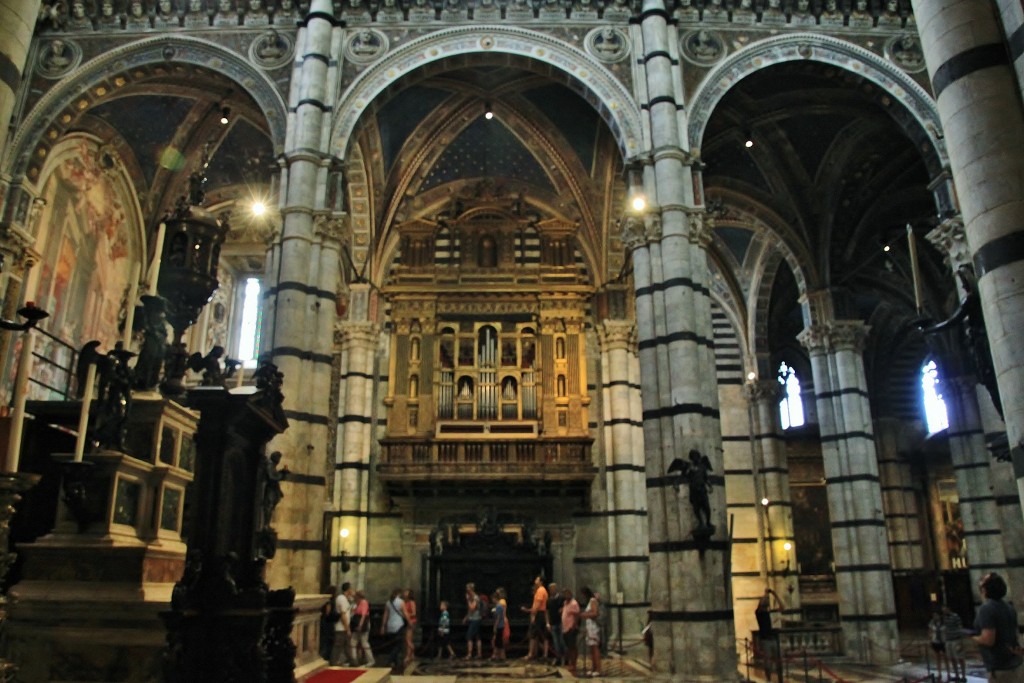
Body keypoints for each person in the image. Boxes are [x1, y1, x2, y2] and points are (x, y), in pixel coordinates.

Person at [973, 573, 1024, 682]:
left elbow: (988, 640)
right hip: (1015, 664)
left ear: (985, 589)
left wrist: (972, 637)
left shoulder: (986, 608)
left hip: (1000, 668)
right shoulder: (1009, 607)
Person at [521, 575, 548, 661]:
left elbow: (537, 606)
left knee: (532, 635)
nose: (535, 580)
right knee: (536, 635)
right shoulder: (541, 590)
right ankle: (535, 653)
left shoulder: (540, 590)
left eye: (537, 579)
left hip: (538, 614)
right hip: (540, 613)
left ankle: (531, 654)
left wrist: (531, 613)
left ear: (541, 581)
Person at [383, 588, 407, 672]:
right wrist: (410, 622)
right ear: (399, 594)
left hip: (390, 625)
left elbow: (385, 615)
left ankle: (395, 663)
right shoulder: (401, 602)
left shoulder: (388, 602)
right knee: (399, 645)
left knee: (393, 644)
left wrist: (383, 626)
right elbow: (405, 614)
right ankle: (390, 660)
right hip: (399, 625)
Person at [330, 582, 355, 665]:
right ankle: (333, 663)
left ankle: (353, 663)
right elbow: (343, 615)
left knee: (347, 647)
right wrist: (347, 628)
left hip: (344, 627)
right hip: (341, 628)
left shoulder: (345, 599)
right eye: (351, 589)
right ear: (348, 590)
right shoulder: (342, 599)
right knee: (337, 647)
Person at [579, 586, 601, 677]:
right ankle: (593, 668)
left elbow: (595, 613)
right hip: (589, 627)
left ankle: (598, 669)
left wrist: (584, 614)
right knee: (591, 649)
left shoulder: (593, 600)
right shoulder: (590, 601)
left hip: (593, 627)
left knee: (595, 648)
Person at [943, 604, 966, 683]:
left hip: (956, 639)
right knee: (952, 658)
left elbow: (960, 627)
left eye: (945, 609)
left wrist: (961, 640)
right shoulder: (945, 618)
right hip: (948, 639)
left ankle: (963, 676)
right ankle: (956, 675)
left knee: (960, 657)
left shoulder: (955, 616)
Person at [352, 590, 375, 666]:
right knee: (353, 642)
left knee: (364, 642)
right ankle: (354, 660)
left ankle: (371, 660)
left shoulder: (364, 602)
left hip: (363, 624)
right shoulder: (357, 603)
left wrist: (360, 625)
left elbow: (363, 615)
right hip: (357, 624)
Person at [561, 588, 580, 676]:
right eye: (564, 594)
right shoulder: (565, 603)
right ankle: (570, 663)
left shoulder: (574, 603)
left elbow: (577, 615)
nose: (566, 596)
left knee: (572, 647)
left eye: (567, 594)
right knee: (569, 646)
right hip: (565, 628)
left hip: (571, 628)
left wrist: (574, 626)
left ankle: (573, 664)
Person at [463, 583, 483, 659]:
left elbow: (472, 608)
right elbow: (469, 610)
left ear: (471, 589)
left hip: (476, 619)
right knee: (477, 637)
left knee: (469, 636)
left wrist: (468, 600)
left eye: (468, 589)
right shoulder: (471, 597)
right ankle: (479, 654)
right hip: (472, 618)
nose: (467, 591)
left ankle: (469, 654)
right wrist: (466, 617)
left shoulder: (475, 598)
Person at [928, 605, 948, 682]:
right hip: (935, 641)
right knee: (938, 658)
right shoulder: (932, 622)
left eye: (936, 615)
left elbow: (946, 631)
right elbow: (929, 631)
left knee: (945, 657)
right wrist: (930, 640)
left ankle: (948, 672)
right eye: (934, 615)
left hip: (943, 641)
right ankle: (939, 673)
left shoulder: (944, 622)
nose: (935, 617)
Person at [547, 581, 565, 665]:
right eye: (550, 589)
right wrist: (548, 622)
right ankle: (558, 657)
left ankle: (565, 658)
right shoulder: (549, 600)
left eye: (553, 589)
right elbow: (547, 611)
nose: (552, 590)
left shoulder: (561, 598)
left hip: (560, 622)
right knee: (556, 642)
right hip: (553, 622)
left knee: (562, 641)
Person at [319, 585, 339, 661]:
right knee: (327, 643)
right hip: (327, 624)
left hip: (325, 623)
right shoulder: (329, 602)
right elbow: (328, 613)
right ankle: (325, 659)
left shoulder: (326, 601)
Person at [491, 589, 509, 660]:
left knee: (498, 641)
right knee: (498, 641)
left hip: (499, 626)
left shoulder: (499, 606)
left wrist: (495, 626)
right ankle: (499, 655)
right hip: (501, 625)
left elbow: (498, 618)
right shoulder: (499, 606)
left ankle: (499, 655)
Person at [402, 589, 418, 667]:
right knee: (408, 639)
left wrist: (406, 614)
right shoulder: (405, 602)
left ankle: (409, 656)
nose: (405, 593)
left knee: (408, 640)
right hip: (406, 622)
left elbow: (414, 613)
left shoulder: (411, 602)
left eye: (406, 592)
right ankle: (412, 655)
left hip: (411, 621)